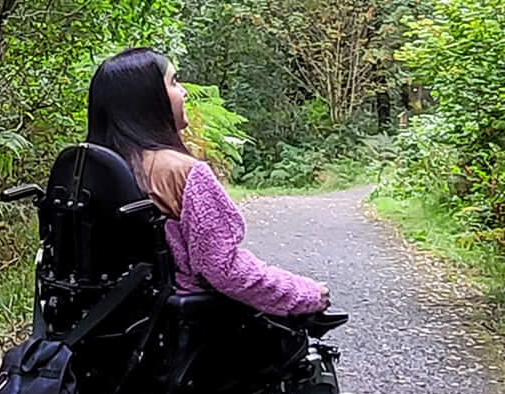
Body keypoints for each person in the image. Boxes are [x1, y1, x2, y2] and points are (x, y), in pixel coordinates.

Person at [85, 48, 329, 316]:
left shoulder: (91, 170)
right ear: (148, 100)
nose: (184, 92)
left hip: (110, 321)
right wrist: (304, 293)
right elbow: (225, 269)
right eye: (174, 81)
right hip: (182, 327)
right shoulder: (183, 173)